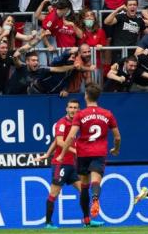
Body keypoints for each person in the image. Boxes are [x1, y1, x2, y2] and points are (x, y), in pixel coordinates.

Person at [57, 83, 120, 226]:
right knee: (96, 181)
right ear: (98, 97)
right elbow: (117, 137)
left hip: (83, 153)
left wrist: (62, 154)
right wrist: (116, 149)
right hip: (99, 152)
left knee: (84, 186)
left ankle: (86, 218)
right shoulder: (107, 114)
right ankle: (96, 198)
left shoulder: (80, 114)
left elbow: (71, 136)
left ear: (86, 96)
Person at [36, 99, 85, 229]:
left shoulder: (76, 123)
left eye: (75, 107)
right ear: (66, 109)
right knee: (54, 193)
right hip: (60, 164)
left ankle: (87, 220)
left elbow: (55, 142)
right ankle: (48, 223)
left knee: (84, 191)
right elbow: (59, 141)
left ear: (78, 110)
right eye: (71, 107)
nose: (73, 110)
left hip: (72, 165)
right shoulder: (62, 123)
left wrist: (47, 154)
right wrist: (76, 150)